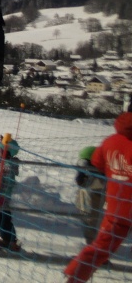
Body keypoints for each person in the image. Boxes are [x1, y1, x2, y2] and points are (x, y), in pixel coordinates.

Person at [65, 112, 132, 283]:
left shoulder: (110, 141)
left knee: (100, 247)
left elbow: (97, 164)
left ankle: (74, 276)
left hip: (117, 208)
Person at [0, 135, 22, 252]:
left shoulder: (7, 166)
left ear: (6, 152)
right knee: (1, 217)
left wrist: (1, 195)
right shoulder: (5, 163)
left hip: (1, 197)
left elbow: (7, 182)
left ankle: (10, 241)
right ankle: (7, 239)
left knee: (4, 219)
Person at [74, 146, 106, 245]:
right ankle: (94, 247)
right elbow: (80, 181)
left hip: (100, 191)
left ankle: (95, 247)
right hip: (92, 195)